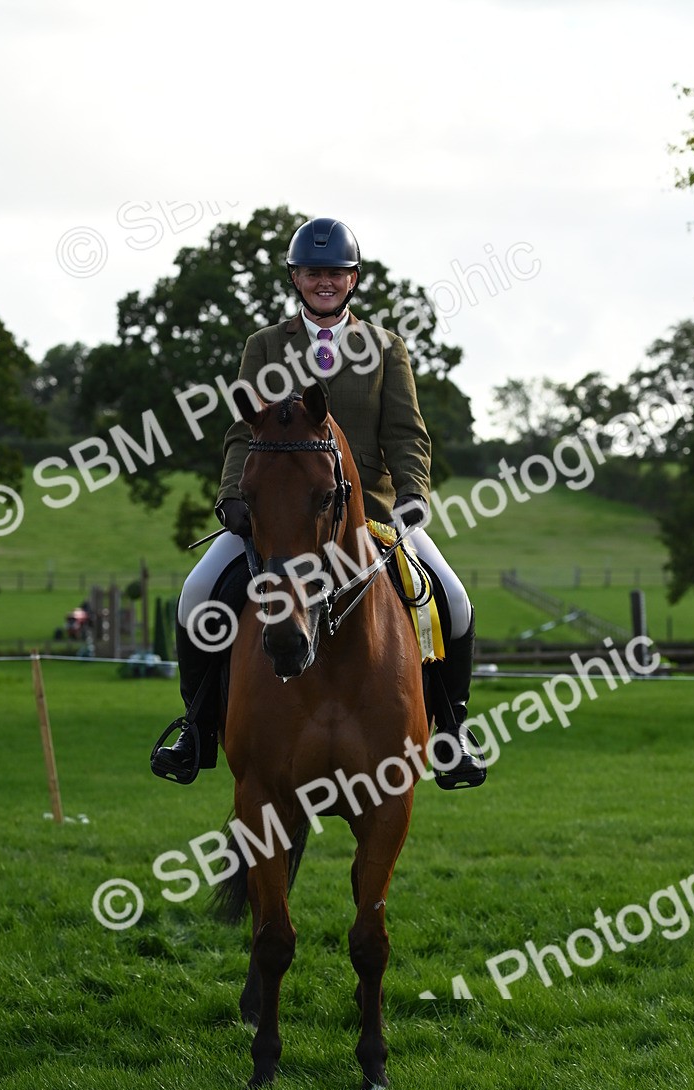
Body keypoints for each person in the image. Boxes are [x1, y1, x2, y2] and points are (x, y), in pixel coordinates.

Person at [152, 217, 486, 790]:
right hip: (279, 514)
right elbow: (242, 432)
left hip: (371, 517)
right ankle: (197, 729)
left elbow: (406, 433)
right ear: (296, 278)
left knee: (453, 601)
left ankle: (452, 731)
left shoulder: (387, 348)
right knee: (196, 596)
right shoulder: (265, 346)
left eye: (334, 273)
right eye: (313, 273)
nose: (324, 282)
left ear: (353, 279)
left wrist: (412, 494)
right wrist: (233, 495)